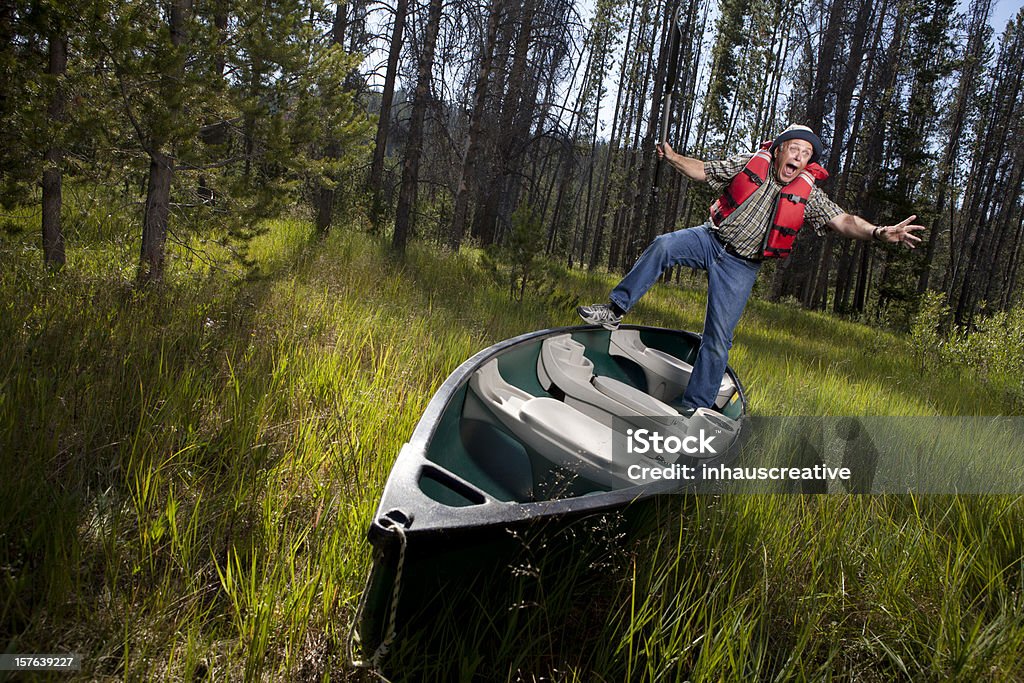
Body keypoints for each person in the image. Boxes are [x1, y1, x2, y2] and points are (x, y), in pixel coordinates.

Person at [577, 124, 924, 411]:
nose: (800, 158)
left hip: (741, 266)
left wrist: (880, 232)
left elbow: (845, 221)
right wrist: (671, 157)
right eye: (795, 149)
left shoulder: (810, 194)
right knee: (664, 245)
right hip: (710, 239)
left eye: (807, 155)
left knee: (717, 340)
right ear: (779, 150)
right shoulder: (749, 164)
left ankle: (695, 407)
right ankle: (614, 309)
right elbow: (704, 170)